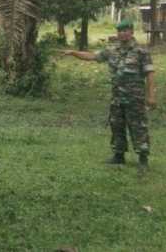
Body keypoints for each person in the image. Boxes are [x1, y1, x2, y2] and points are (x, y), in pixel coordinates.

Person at [63, 20, 156, 172]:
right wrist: (74, 53)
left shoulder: (141, 52)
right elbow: (93, 56)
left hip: (135, 99)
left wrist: (151, 96)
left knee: (138, 127)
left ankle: (143, 158)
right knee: (116, 125)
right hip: (117, 97)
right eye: (120, 31)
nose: (123, 33)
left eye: (126, 30)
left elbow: (150, 74)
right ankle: (119, 155)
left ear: (132, 32)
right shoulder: (112, 50)